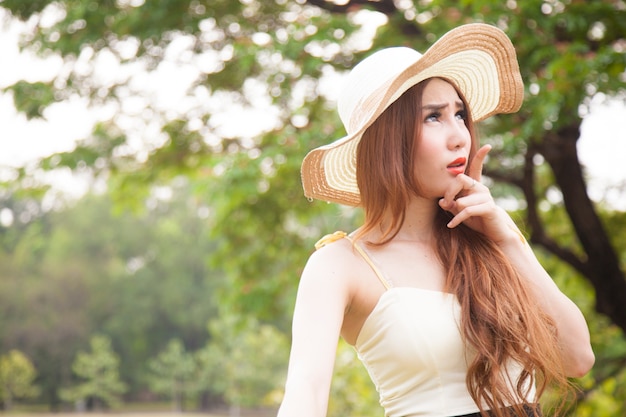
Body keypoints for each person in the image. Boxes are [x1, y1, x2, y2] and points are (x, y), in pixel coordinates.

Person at [277, 23, 594, 417]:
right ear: (388, 140)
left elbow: (577, 358)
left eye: (460, 114)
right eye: (433, 117)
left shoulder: (492, 238)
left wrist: (508, 241)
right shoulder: (340, 264)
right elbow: (305, 394)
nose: (460, 135)